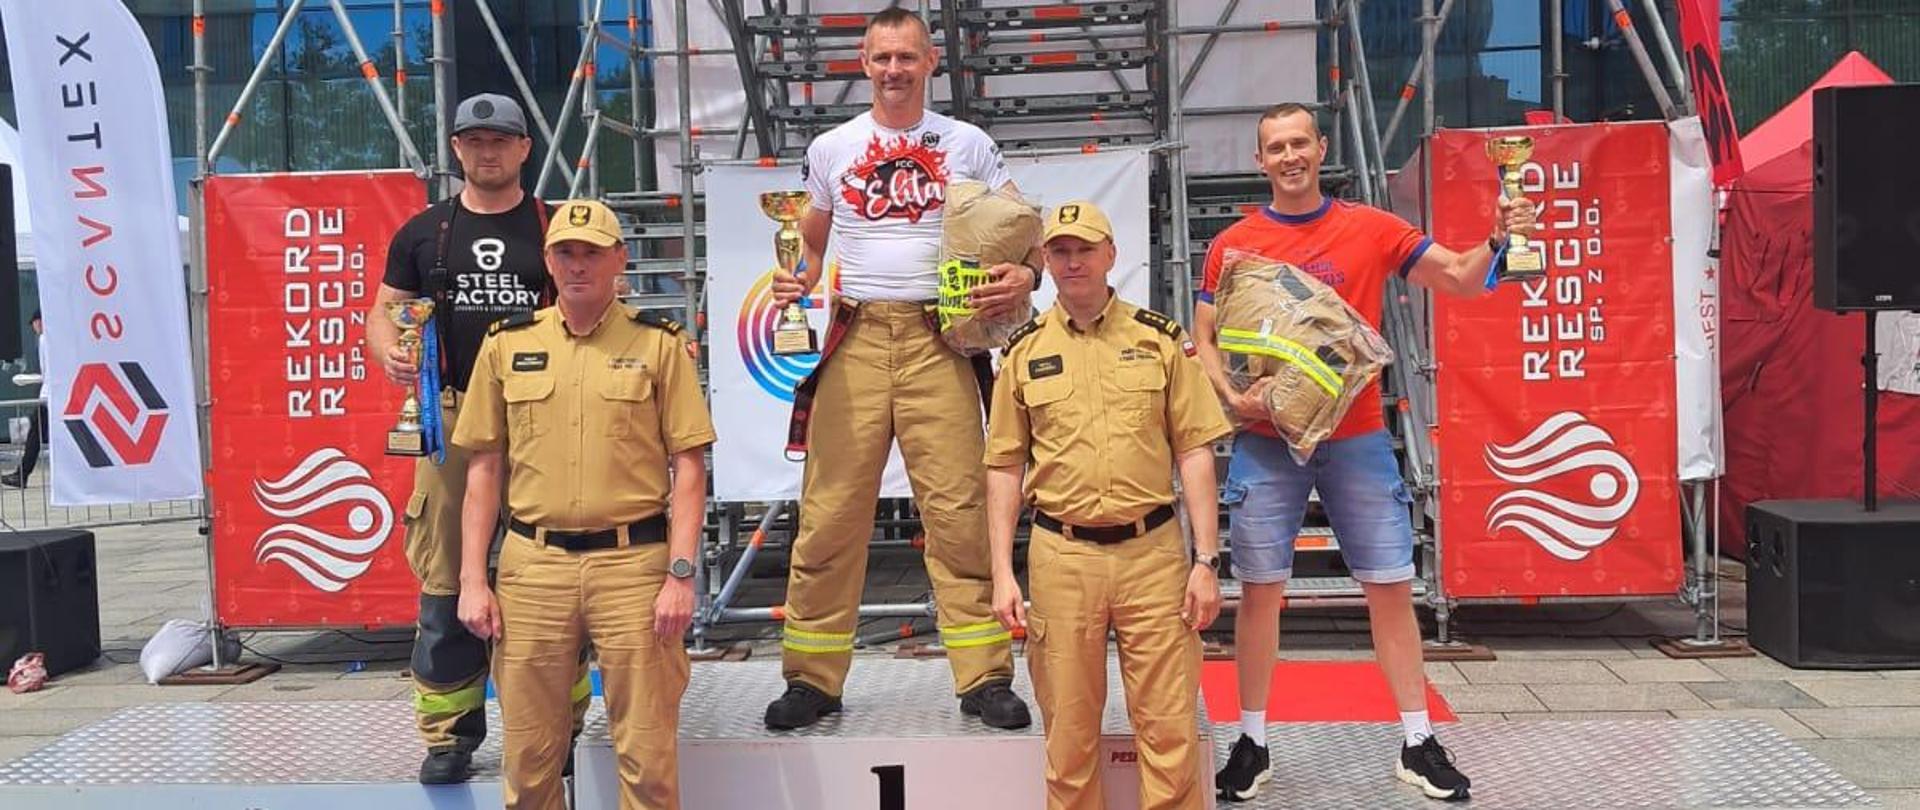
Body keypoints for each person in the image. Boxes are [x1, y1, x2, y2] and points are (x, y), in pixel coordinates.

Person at [1196, 103, 1538, 803]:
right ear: (1260, 161)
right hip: (1266, 444)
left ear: (1322, 148)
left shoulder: (1373, 229)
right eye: (1275, 147)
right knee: (1260, 594)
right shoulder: (1232, 244)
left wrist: (1497, 239)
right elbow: (1202, 335)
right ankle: (1252, 741)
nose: (1290, 156)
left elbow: (1462, 278)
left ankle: (1417, 740)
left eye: (1300, 143)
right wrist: (1234, 399)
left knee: (1388, 588)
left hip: (1356, 438)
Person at [762, 7, 1034, 731]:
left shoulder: (968, 143)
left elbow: (1017, 232)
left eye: (906, 58)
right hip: (856, 334)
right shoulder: (832, 148)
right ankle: (813, 679)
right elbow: (811, 248)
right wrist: (796, 277)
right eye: (882, 58)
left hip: (938, 338)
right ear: (863, 61)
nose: (893, 70)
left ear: (929, 62)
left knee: (958, 513)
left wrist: (1025, 276)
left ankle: (983, 675)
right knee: (830, 515)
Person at [453, 199, 712, 810]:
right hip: (532, 568)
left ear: (619, 260)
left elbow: (691, 466)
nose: (577, 265)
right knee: (529, 761)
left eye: (591, 252)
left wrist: (680, 574)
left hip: (634, 567)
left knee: (647, 759)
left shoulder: (659, 345)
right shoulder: (506, 345)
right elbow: (484, 469)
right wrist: (472, 579)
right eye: (565, 253)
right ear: (547, 261)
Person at [368, 93, 588, 785]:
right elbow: (385, 314)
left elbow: (597, 302)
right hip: (453, 421)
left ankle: (564, 725)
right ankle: (449, 733)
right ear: (456, 150)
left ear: (525, 148)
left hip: (544, 418)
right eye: (472, 141)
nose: (485, 152)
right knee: (444, 579)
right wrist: (389, 351)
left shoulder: (558, 227)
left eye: (499, 141)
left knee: (554, 574)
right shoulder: (421, 234)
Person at [986, 201, 1232, 809]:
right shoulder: (1021, 353)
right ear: (1046, 260)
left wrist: (1206, 561)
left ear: (1111, 256)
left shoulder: (1160, 341)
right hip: (1061, 559)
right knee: (1068, 740)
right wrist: (1000, 573)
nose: (1073, 263)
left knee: (1169, 733)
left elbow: (1195, 452)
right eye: (1061, 251)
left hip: (1153, 559)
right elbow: (1003, 468)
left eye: (1085, 250)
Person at [3, 311, 46, 489]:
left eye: (35, 322)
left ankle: (22, 475)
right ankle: (22, 474)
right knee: (36, 434)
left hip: (49, 397)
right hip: (51, 395)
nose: (34, 327)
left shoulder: (45, 340)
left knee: (36, 435)